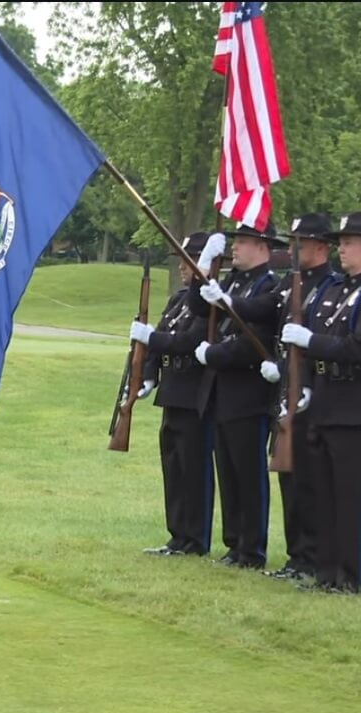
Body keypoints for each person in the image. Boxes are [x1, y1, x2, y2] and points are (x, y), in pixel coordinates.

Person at [201, 213, 338, 581]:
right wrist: (222, 295)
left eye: (302, 243)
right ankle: (283, 554)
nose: (295, 249)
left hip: (304, 392)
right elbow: (263, 309)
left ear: (321, 247)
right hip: (284, 390)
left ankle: (298, 554)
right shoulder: (288, 285)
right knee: (283, 478)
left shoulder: (327, 285)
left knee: (296, 479)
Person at [279, 212, 361, 595]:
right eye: (341, 242)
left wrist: (309, 341)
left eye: (349, 242)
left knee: (351, 495)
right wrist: (304, 386)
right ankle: (326, 572)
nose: (342, 249)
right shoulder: (333, 291)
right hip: (324, 400)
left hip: (355, 404)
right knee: (323, 493)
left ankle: (351, 577)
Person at [188, 222, 283, 569]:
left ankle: (252, 548)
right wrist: (203, 267)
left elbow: (252, 343)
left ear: (262, 247)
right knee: (227, 471)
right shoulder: (231, 280)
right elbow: (199, 308)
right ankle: (234, 544)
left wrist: (212, 356)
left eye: (242, 241)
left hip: (248, 392)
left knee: (248, 473)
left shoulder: (269, 286)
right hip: (222, 391)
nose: (236, 248)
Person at [130, 232, 227, 557]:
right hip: (172, 389)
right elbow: (159, 337)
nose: (184, 268)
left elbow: (189, 340)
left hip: (195, 391)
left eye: (190, 261)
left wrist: (153, 339)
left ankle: (195, 538)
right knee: (173, 465)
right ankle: (178, 535)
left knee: (194, 468)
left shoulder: (210, 304)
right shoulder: (179, 299)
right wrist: (147, 376)